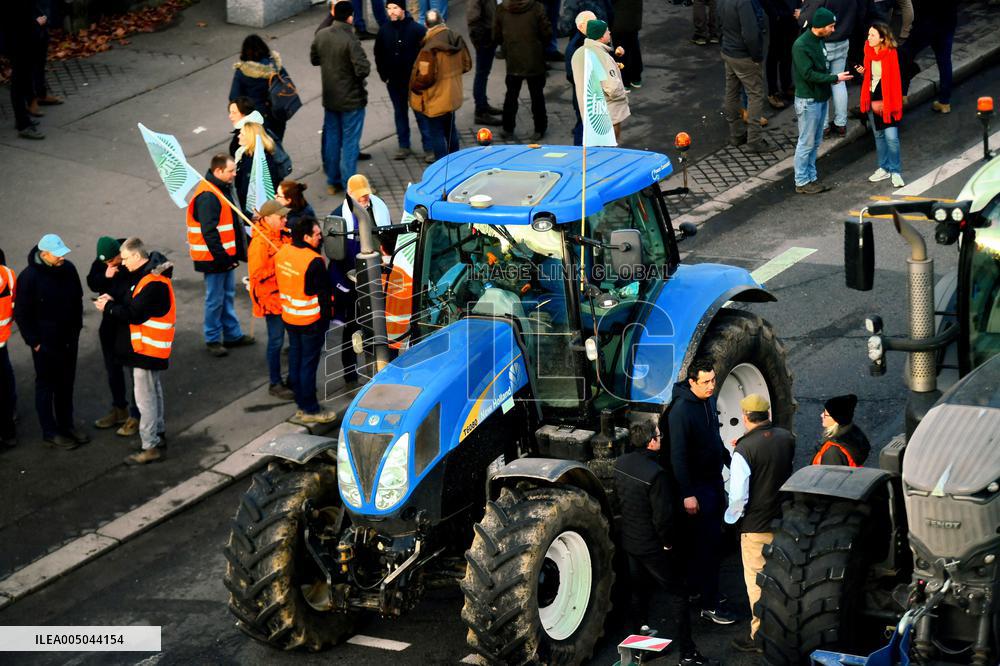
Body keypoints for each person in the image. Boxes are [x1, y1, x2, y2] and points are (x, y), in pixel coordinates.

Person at [615, 420, 713, 666]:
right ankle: (688, 654)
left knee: (638, 594)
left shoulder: (621, 463)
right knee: (678, 594)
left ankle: (639, 648)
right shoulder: (655, 474)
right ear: (651, 442)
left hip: (630, 541)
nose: (661, 438)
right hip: (652, 546)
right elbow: (662, 518)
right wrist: (668, 545)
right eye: (658, 435)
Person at [724, 394, 796, 654]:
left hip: (755, 526)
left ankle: (760, 636)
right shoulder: (786, 438)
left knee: (756, 583)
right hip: (783, 520)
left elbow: (738, 497)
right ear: (768, 415)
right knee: (782, 578)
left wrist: (731, 518)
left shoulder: (744, 449)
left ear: (745, 417)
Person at [667, 358, 735, 626]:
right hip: (697, 489)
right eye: (706, 382)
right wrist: (687, 493)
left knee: (711, 542)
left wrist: (732, 461)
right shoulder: (681, 412)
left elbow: (714, 439)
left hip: (713, 482)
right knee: (706, 546)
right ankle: (709, 603)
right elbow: (678, 456)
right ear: (692, 381)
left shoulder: (707, 401)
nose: (711, 386)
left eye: (713, 380)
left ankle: (702, 591)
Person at [96, 238, 174, 465]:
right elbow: (133, 302)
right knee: (154, 392)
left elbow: (134, 313)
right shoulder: (149, 277)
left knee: (145, 399)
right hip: (150, 348)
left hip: (145, 350)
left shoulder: (151, 282)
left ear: (138, 257)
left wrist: (108, 307)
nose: (123, 262)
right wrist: (114, 300)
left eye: (126, 258)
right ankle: (158, 435)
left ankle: (150, 445)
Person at [14, 234, 89, 449]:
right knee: (46, 385)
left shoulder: (68, 269)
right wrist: (34, 341)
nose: (62, 257)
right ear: (44, 254)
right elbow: (22, 313)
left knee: (66, 384)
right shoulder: (29, 278)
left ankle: (67, 425)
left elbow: (77, 298)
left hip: (68, 339)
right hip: (45, 344)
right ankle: (50, 431)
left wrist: (76, 328)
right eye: (58, 255)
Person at [328, 174, 394, 384]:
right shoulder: (338, 217)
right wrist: (349, 280)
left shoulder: (378, 207)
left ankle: (382, 366)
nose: (364, 200)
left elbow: (388, 234)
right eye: (360, 197)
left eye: (366, 196)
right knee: (352, 327)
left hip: (379, 275)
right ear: (349, 196)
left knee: (382, 323)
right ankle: (350, 372)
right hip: (353, 280)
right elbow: (337, 255)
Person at [188, 154, 254, 357]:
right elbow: (210, 233)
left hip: (223, 256)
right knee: (216, 299)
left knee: (225, 296)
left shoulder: (220, 189)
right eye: (231, 171)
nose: (235, 174)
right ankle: (213, 338)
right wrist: (224, 258)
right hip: (215, 258)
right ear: (218, 171)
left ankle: (232, 334)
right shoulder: (209, 196)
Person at [275, 217, 337, 424]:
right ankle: (310, 408)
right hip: (311, 321)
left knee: (296, 359)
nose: (321, 237)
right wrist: (327, 319)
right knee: (308, 365)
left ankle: (301, 403)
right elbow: (323, 295)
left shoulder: (282, 252)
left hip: (289, 317)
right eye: (317, 234)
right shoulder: (314, 261)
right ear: (306, 237)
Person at [312, 1, 372, 195]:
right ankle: (350, 184)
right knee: (350, 143)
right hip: (351, 99)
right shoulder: (350, 39)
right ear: (350, 17)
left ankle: (332, 180)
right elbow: (363, 68)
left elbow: (314, 59)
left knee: (332, 140)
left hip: (330, 98)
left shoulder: (321, 35)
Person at [791, 7, 853, 195]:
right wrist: (835, 78)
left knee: (814, 142)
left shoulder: (819, 40)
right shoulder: (801, 46)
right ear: (819, 27)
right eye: (831, 26)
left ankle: (810, 177)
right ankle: (802, 181)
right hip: (809, 101)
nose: (834, 30)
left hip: (818, 99)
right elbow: (809, 74)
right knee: (806, 142)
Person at [86, 236, 141, 436]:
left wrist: (112, 299)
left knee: (135, 373)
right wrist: (105, 277)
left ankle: (136, 415)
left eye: (112, 260)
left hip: (127, 326)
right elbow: (92, 282)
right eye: (106, 262)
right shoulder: (102, 263)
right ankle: (119, 409)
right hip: (109, 325)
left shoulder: (130, 262)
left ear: (120, 253)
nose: (110, 264)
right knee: (113, 369)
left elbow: (132, 294)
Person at [409, 10, 471, 160]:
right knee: (451, 130)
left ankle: (443, 166)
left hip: (435, 99)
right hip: (452, 96)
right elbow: (466, 65)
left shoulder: (428, 50)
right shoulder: (456, 39)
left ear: (426, 25)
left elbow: (425, 78)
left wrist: (414, 87)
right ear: (442, 21)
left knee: (436, 133)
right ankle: (455, 161)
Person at [375, 1, 433, 160]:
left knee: (420, 114)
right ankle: (403, 146)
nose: (391, 12)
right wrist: (384, 75)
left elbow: (428, 54)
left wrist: (423, 76)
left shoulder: (417, 30)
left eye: (395, 8)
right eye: (389, 8)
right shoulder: (384, 30)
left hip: (414, 82)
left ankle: (429, 148)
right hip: (394, 81)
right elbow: (378, 54)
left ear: (402, 9)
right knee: (400, 113)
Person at [249, 200, 295, 400]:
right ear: (267, 218)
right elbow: (257, 274)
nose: (285, 220)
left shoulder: (284, 234)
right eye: (281, 217)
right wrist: (280, 264)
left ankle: (293, 379)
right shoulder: (259, 243)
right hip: (272, 300)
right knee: (276, 342)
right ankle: (275, 383)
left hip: (287, 295)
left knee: (293, 340)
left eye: (285, 216)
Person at [800, 0, 864, 138]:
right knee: (839, 81)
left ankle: (823, 127)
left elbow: (806, 18)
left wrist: (801, 13)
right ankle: (841, 123)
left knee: (823, 82)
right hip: (843, 40)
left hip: (824, 43)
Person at [495, 0, 551, 142]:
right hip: (534, 58)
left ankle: (508, 128)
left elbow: (496, 35)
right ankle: (540, 128)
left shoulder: (502, 9)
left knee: (511, 95)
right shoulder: (537, 7)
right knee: (537, 95)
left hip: (513, 59)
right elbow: (547, 33)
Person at [718, 0, 770, 152]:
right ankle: (754, 140)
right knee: (755, 94)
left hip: (728, 50)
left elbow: (718, 24)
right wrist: (757, 56)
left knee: (731, 92)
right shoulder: (743, 2)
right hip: (744, 55)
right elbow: (750, 33)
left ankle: (736, 134)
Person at [856, 23, 904, 187]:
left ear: (882, 38)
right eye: (868, 34)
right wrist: (864, 71)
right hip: (871, 99)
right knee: (879, 136)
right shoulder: (868, 51)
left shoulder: (890, 54)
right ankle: (884, 168)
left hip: (887, 102)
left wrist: (889, 103)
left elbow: (895, 82)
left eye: (872, 35)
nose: (868, 38)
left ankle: (895, 171)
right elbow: (871, 77)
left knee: (892, 138)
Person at [571, 20, 630, 142]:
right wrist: (622, 93)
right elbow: (612, 88)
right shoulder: (602, 56)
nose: (609, 32)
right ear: (601, 36)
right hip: (608, 114)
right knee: (610, 149)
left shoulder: (578, 53)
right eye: (607, 30)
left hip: (589, 113)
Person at [899, 0, 957, 114]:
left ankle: (902, 94)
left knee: (905, 55)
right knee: (944, 61)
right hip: (948, 20)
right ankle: (944, 102)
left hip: (926, 23)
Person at [229, 34, 290, 140]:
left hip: (255, 116)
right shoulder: (275, 66)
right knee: (276, 144)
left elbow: (234, 96)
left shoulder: (242, 72)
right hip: (277, 113)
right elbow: (286, 83)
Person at [5, 2, 48, 140]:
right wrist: (36, 23)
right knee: (19, 80)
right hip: (19, 39)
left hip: (21, 37)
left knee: (22, 78)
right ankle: (23, 124)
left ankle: (22, 120)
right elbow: (15, 18)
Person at [234, 121, 288, 215]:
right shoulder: (246, 154)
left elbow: (248, 188)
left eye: (242, 134)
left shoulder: (259, 161)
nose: (238, 136)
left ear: (250, 138)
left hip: (256, 210)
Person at [467, 0, 503, 125]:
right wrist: (482, 39)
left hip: (489, 36)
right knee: (481, 74)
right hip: (485, 38)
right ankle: (480, 111)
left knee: (484, 73)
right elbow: (473, 18)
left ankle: (483, 104)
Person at [565, 10, 597, 146]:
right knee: (584, 125)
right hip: (585, 94)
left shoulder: (585, 41)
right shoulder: (578, 47)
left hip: (584, 93)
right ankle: (580, 154)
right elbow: (573, 74)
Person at [813, 394, 871, 466]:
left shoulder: (833, 452)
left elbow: (831, 475)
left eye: (826, 414)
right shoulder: (853, 432)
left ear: (837, 420)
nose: (821, 415)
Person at [759, 0, 796, 108]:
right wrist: (775, 14)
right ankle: (773, 91)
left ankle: (787, 85)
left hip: (793, 18)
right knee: (774, 55)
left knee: (788, 53)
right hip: (778, 18)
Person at [0, 249, 17, 448]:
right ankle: (9, 427)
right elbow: (14, 302)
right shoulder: (8, 275)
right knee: (5, 382)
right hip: (2, 340)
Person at [610, 0, 642, 88]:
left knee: (620, 50)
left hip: (618, 20)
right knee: (633, 46)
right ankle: (636, 78)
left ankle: (624, 81)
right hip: (634, 18)